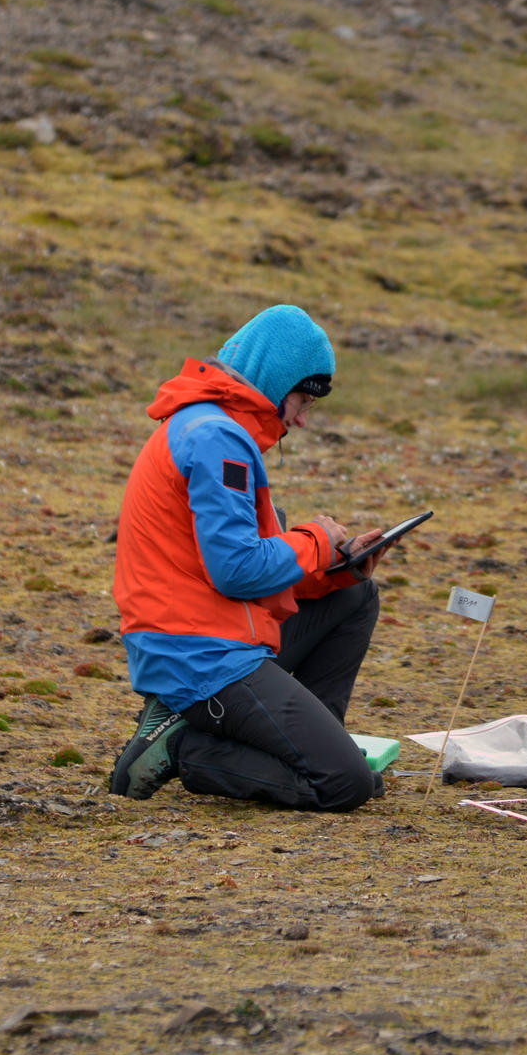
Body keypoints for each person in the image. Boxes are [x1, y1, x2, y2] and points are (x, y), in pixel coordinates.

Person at [104, 304, 389, 811]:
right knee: (344, 785)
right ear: (274, 383)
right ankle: (180, 746)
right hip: (197, 654)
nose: (301, 420)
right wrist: (316, 539)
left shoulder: (216, 430)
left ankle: (319, 743)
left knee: (356, 595)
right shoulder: (218, 440)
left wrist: (332, 570)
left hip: (213, 633)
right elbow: (236, 570)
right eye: (302, 400)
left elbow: (236, 571)